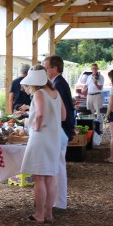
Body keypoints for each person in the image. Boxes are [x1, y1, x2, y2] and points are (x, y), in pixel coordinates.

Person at [20, 65, 65, 223]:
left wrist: (36, 126)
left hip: (40, 137)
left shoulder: (39, 93)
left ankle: (38, 214)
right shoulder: (55, 92)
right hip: (54, 137)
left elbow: (39, 114)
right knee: (50, 177)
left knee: (39, 177)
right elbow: (64, 115)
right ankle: (48, 213)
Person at [43, 55, 75, 210]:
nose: (45, 71)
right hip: (62, 129)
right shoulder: (59, 83)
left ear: (54, 68)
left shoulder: (58, 84)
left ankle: (60, 202)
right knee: (58, 167)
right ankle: (58, 201)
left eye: (46, 68)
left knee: (59, 168)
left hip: (61, 130)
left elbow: (62, 112)